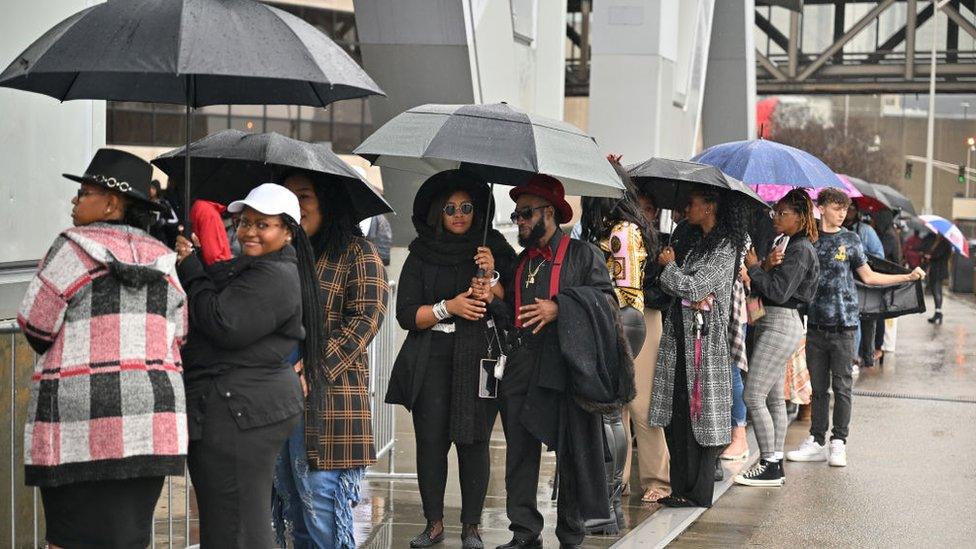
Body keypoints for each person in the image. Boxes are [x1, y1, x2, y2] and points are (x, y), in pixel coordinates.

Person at [18, 149, 187, 548]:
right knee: (129, 539)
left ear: (111, 202)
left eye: (84, 193)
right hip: (152, 424)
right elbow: (179, 334)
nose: (75, 201)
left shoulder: (71, 249)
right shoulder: (164, 259)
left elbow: (36, 327)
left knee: (69, 538)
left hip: (78, 427)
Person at [485, 175, 630, 549]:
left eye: (526, 213)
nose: (520, 221)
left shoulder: (583, 255)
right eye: (517, 215)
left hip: (565, 364)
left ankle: (570, 533)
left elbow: (607, 304)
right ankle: (524, 532)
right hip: (521, 363)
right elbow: (513, 316)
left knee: (572, 450)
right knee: (519, 449)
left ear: (549, 212)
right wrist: (492, 297)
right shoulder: (521, 263)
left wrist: (561, 307)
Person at [175, 183, 321, 547]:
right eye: (244, 222)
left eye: (263, 224)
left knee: (237, 523)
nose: (249, 231)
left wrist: (192, 270)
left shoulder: (274, 275)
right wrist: (194, 260)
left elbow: (225, 324)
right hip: (236, 406)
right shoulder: (258, 268)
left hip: (240, 410)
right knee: (230, 519)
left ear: (288, 231)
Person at [387, 170, 516, 548]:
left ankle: (472, 525)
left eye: (466, 207)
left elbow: (510, 308)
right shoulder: (421, 253)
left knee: (474, 443)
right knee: (431, 442)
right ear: (437, 214)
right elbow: (407, 314)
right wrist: (449, 307)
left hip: (480, 359)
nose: (459, 214)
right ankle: (434, 523)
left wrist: (492, 277)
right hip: (433, 358)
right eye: (450, 208)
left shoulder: (491, 248)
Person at [275, 170, 389, 548]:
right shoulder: (282, 255)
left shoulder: (358, 253)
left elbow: (366, 318)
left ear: (327, 202)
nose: (295, 206)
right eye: (288, 197)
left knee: (325, 513)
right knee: (295, 512)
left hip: (331, 406)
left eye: (304, 196)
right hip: (280, 402)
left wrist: (315, 366)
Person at [787, 188, 924, 468]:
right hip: (814, 326)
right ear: (821, 207)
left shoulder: (850, 240)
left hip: (845, 325)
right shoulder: (808, 241)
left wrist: (907, 276)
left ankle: (839, 442)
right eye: (836, 208)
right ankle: (816, 440)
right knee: (819, 388)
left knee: (842, 386)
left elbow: (869, 277)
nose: (842, 214)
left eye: (844, 209)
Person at [649, 185, 750, 508]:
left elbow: (694, 287)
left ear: (709, 207)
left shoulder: (725, 247)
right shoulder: (696, 244)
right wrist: (674, 273)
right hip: (679, 338)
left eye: (691, 203)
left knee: (701, 415)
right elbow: (683, 287)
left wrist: (670, 268)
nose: (686, 209)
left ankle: (698, 491)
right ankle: (681, 488)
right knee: (677, 414)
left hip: (704, 345)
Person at [578, 161, 653, 532]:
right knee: (610, 410)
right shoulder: (621, 228)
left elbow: (622, 286)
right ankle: (607, 496)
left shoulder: (622, 232)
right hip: (621, 317)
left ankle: (610, 495)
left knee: (609, 410)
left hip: (621, 318)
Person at [733, 189, 820, 487]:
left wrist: (756, 268)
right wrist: (766, 266)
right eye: (775, 212)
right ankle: (774, 461)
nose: (776, 217)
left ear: (799, 216)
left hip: (782, 322)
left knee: (752, 394)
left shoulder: (801, 249)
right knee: (771, 398)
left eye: (783, 213)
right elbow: (770, 285)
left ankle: (770, 463)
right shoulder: (785, 243)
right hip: (771, 320)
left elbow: (780, 292)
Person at [630, 184, 673, 504]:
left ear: (655, 213)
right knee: (614, 402)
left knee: (643, 404)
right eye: (635, 207)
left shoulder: (663, 245)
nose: (640, 214)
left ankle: (657, 478)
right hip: (616, 315)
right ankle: (614, 476)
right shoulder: (615, 236)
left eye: (646, 209)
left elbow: (664, 295)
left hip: (647, 316)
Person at [922, 232, 952, 325]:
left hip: (938, 270)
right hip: (937, 270)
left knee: (936, 291)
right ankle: (938, 312)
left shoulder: (944, 243)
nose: (938, 233)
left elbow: (938, 255)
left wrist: (929, 257)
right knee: (937, 291)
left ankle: (938, 312)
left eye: (939, 232)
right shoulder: (939, 242)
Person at [148, 179, 180, 247]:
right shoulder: (146, 201)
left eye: (153, 188)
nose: (151, 190)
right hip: (146, 234)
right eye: (150, 188)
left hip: (159, 237)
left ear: (157, 190)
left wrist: (165, 221)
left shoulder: (163, 203)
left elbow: (175, 220)